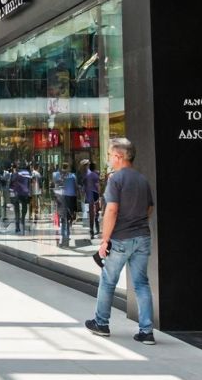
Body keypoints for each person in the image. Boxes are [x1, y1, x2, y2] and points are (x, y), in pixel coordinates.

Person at [86, 138, 156, 345]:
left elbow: (112, 210)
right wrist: (137, 219)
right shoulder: (142, 180)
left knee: (108, 280)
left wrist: (104, 240)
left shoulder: (116, 180)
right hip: (143, 237)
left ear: (118, 156)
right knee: (141, 283)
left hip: (121, 238)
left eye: (109, 155)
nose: (109, 159)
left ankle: (101, 323)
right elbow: (149, 208)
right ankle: (146, 331)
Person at [57, 161, 78, 248]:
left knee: (64, 217)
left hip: (64, 197)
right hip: (72, 197)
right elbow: (76, 186)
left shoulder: (61, 176)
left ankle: (65, 234)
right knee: (70, 216)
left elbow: (58, 186)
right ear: (68, 167)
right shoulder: (72, 176)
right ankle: (68, 232)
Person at [11, 162, 32, 234]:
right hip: (25, 193)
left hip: (17, 193)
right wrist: (29, 192)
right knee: (24, 207)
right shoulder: (28, 174)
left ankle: (17, 227)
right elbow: (29, 184)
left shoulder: (15, 173)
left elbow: (11, 183)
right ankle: (22, 219)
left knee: (16, 210)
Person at [82, 160, 101, 237]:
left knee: (91, 213)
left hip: (89, 194)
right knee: (96, 211)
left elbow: (84, 186)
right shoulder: (96, 174)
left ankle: (91, 229)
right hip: (95, 193)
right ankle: (97, 226)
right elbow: (98, 185)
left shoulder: (86, 175)